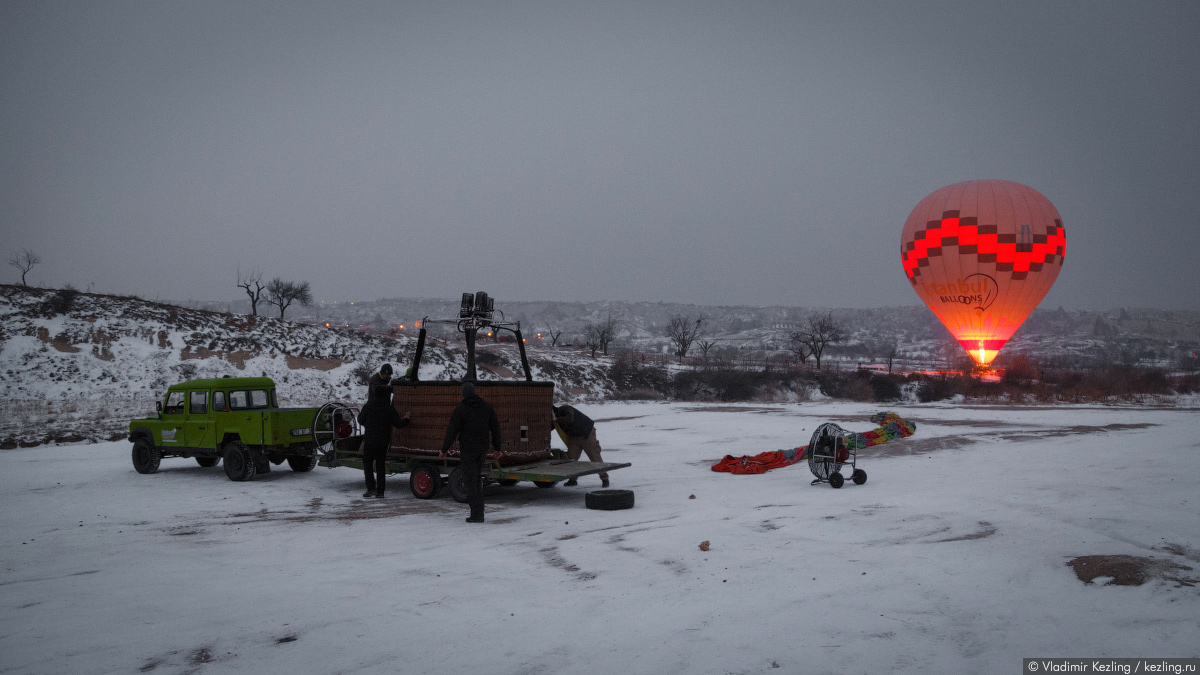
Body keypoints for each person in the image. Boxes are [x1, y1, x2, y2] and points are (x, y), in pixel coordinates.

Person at [440, 382, 501, 523]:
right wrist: (497, 448)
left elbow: (452, 430)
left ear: (464, 394)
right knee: (477, 478)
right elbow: (495, 428)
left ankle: (477, 513)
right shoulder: (487, 407)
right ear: (474, 392)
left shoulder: (460, 409)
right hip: (482, 449)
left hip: (468, 449)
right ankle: (479, 511)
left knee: (470, 481)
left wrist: (444, 449)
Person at [356, 377, 411, 499]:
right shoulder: (389, 409)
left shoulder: (368, 405)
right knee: (380, 466)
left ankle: (370, 489)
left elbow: (360, 420)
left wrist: (368, 424)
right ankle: (380, 492)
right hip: (382, 442)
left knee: (367, 464)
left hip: (369, 440)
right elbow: (399, 424)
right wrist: (407, 418)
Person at [553, 404, 608, 487]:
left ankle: (604, 478)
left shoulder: (566, 409)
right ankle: (573, 479)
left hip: (586, 433)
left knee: (594, 456)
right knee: (571, 458)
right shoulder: (555, 419)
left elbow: (570, 419)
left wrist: (557, 420)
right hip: (574, 436)